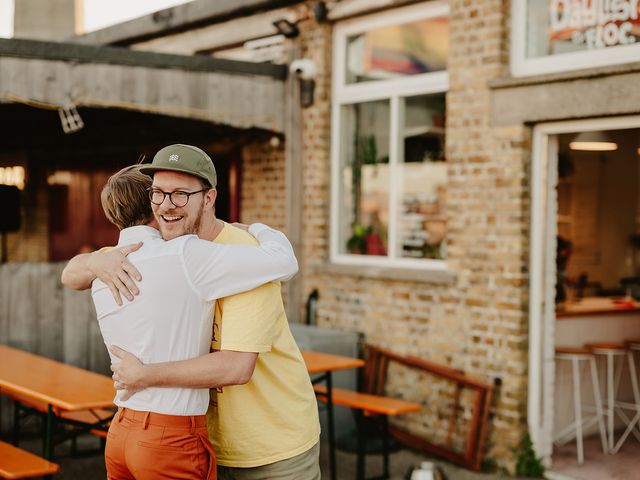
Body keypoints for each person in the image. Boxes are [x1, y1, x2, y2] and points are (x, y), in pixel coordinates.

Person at [65, 144, 322, 480]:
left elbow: (235, 366)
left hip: (268, 446)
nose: (166, 206)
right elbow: (70, 275)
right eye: (158, 193)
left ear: (209, 198)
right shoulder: (144, 254)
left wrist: (144, 374)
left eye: (181, 195)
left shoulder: (242, 256)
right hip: (201, 440)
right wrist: (95, 260)